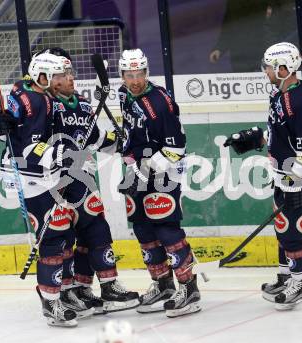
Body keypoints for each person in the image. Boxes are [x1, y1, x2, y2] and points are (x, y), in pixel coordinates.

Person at [224, 42, 302, 310]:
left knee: (292, 233)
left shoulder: (296, 101)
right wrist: (256, 137)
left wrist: (294, 185)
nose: (266, 71)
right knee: (282, 229)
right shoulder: (283, 94)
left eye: (269, 67)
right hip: (286, 177)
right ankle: (286, 275)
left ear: (283, 69)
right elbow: (284, 135)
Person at [43, 47, 140, 314]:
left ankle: (103, 286)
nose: (70, 78)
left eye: (71, 72)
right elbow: (30, 139)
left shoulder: (84, 103)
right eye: (63, 74)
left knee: (97, 231)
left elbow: (96, 138)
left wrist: (120, 143)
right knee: (63, 238)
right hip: (57, 184)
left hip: (86, 180)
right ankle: (67, 290)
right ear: (49, 78)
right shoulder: (46, 106)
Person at [0, 52, 80, 327]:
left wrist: (3, 119)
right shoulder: (38, 100)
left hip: (43, 173)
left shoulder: (25, 87)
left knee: (63, 231)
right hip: (30, 176)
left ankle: (63, 290)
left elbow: (15, 118)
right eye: (58, 76)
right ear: (42, 77)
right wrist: (60, 153)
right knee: (52, 236)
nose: (64, 79)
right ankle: (51, 302)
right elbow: (29, 148)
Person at [116, 48, 201, 318]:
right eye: (129, 75)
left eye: (139, 74)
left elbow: (176, 148)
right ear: (122, 75)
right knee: (143, 229)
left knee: (165, 229)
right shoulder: (122, 95)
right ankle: (162, 284)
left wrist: (144, 171)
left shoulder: (160, 102)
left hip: (164, 173)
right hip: (138, 171)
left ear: (146, 72)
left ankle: (189, 289)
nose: (135, 80)